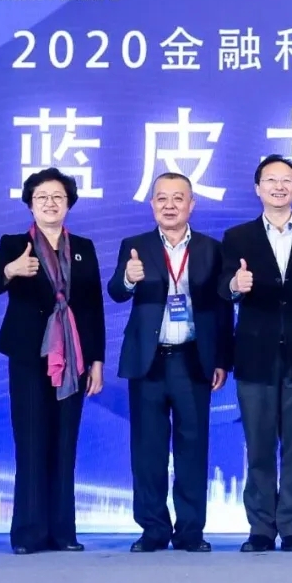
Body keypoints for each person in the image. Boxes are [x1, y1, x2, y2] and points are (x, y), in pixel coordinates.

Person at [220, 155, 292, 553]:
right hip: (255, 353)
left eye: (286, 180)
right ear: (257, 188)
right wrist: (235, 285)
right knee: (258, 446)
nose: (278, 186)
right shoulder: (237, 236)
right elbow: (223, 288)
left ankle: (291, 527)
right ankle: (260, 528)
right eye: (270, 180)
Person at [108, 172, 233, 553]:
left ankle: (191, 531)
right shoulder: (135, 246)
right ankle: (153, 529)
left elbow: (222, 308)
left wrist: (222, 359)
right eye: (161, 198)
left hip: (193, 359)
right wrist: (128, 279)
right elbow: (115, 292)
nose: (169, 205)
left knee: (192, 448)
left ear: (191, 205)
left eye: (178, 198)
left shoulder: (212, 249)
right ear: (152, 205)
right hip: (148, 362)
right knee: (148, 451)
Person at [0, 167, 105, 555]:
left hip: (73, 355)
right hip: (28, 354)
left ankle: (63, 532)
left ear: (68, 203)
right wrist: (11, 270)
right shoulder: (14, 244)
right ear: (30, 204)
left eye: (57, 197)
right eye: (42, 197)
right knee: (32, 441)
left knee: (65, 442)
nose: (50, 203)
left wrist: (97, 361)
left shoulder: (83, 247)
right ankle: (28, 533)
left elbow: (93, 307)